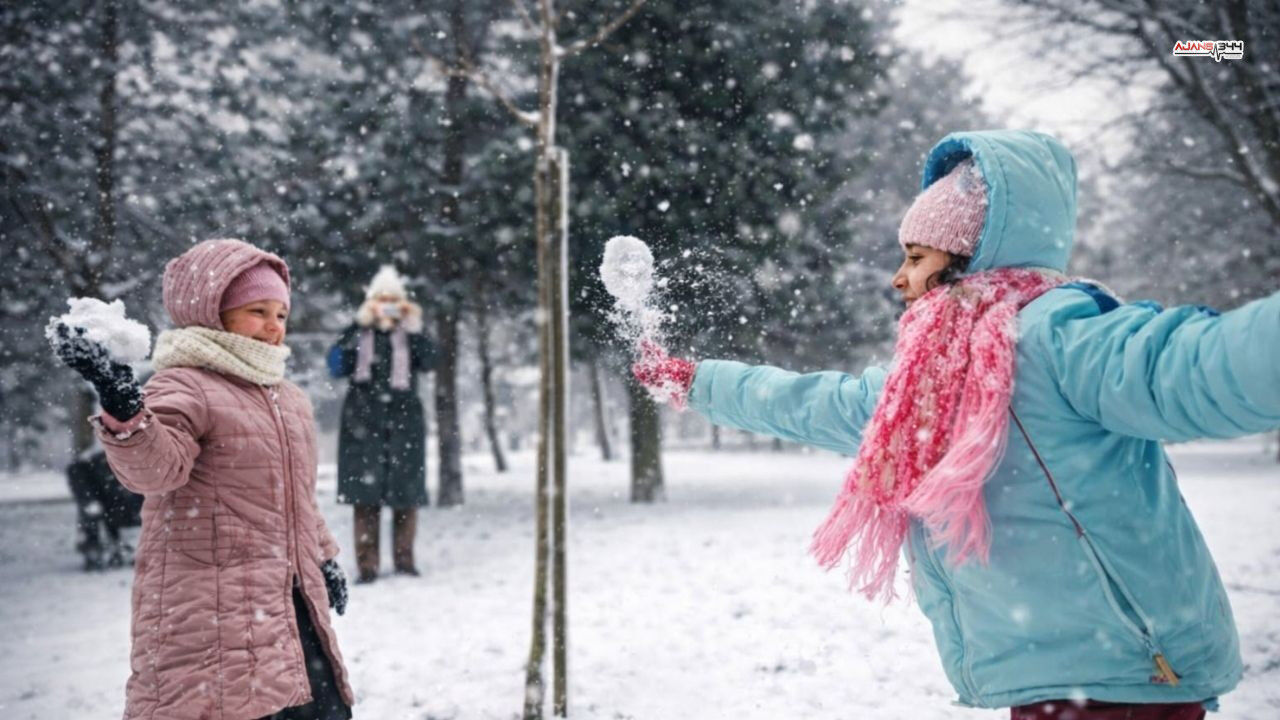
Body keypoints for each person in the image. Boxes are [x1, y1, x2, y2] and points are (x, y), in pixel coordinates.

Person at [632, 129, 1280, 720]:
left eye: (916, 257)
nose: (899, 278)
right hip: (1058, 682)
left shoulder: (1063, 339)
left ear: (968, 261)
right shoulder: (928, 379)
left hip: (1125, 674)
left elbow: (1206, 364)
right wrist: (699, 381)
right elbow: (811, 402)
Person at [51, 238, 354, 720]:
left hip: (288, 598)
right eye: (257, 311)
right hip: (211, 604)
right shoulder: (185, 383)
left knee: (317, 707)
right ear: (212, 312)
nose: (273, 327)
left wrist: (323, 557)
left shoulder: (288, 397)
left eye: (281, 314)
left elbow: (297, 497)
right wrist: (123, 405)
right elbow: (155, 471)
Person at [327, 265, 437, 583]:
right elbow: (335, 364)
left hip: (405, 424)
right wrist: (356, 326)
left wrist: (415, 326)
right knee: (365, 498)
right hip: (362, 423)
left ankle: (405, 561)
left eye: (393, 299)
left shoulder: (411, 336)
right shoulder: (358, 334)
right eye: (381, 299)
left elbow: (431, 360)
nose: (387, 305)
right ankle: (367, 566)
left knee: (406, 496)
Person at [65, 443, 143, 570]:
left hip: (120, 498)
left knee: (125, 513)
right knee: (93, 513)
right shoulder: (87, 462)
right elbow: (80, 482)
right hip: (103, 498)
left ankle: (125, 548)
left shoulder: (133, 457)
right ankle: (96, 549)